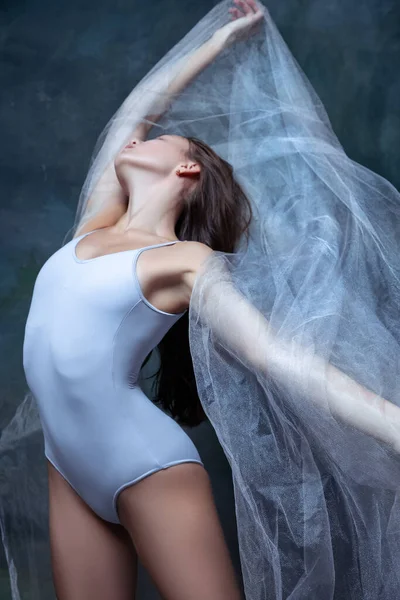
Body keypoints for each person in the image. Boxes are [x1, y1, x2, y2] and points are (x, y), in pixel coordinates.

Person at [4, 1, 400, 599]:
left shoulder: (184, 262)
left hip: (146, 465)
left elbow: (273, 355)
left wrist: (394, 425)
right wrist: (217, 43)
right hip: (67, 469)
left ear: (186, 168)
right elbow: (139, 109)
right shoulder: (95, 223)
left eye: (159, 140)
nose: (139, 137)